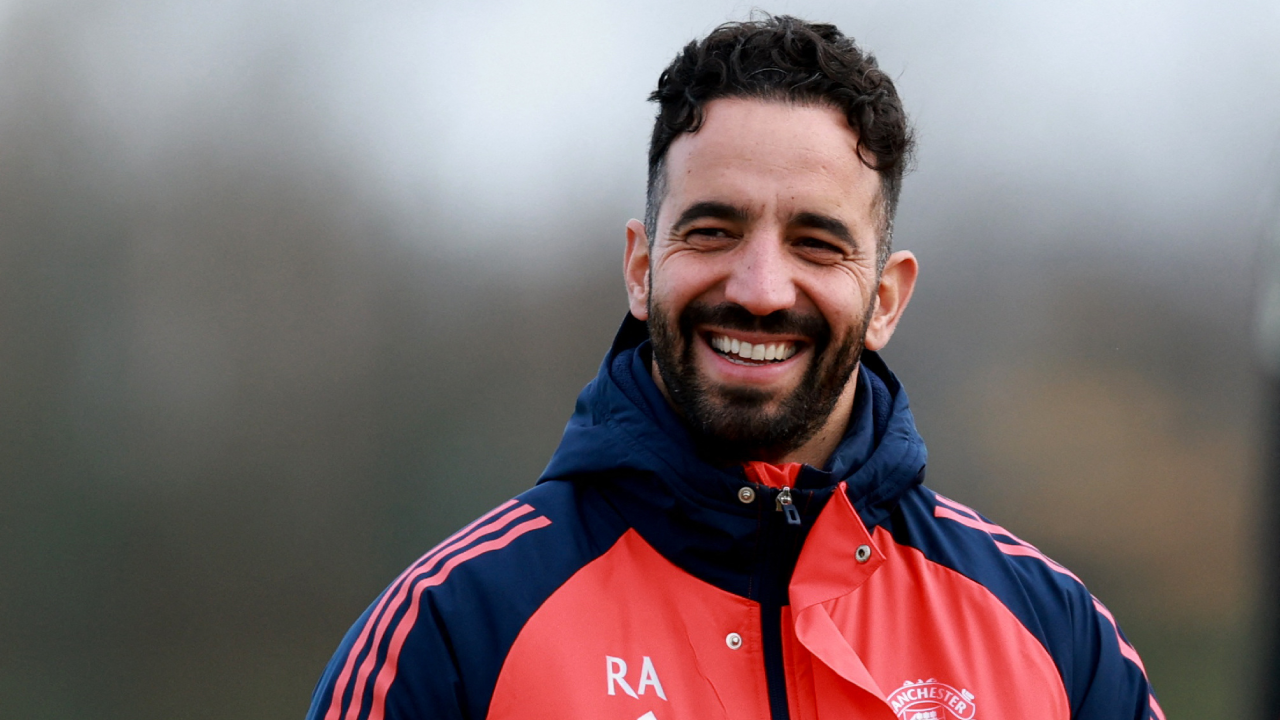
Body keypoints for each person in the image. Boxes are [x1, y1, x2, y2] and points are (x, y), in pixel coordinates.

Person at [306, 16, 1162, 720]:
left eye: (817, 244)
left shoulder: (1054, 641)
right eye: (713, 231)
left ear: (886, 301)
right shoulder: (454, 632)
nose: (759, 290)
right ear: (641, 269)